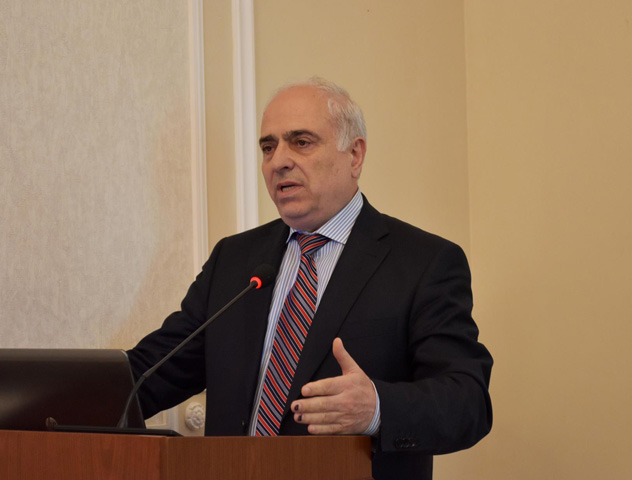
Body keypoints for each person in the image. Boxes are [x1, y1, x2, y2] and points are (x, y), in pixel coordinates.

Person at [127, 77, 492, 480]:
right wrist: (77, 389)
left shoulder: (424, 262)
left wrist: (377, 407)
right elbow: (153, 373)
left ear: (354, 155)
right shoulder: (234, 260)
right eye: (268, 147)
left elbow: (468, 402)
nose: (278, 161)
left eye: (301, 142)